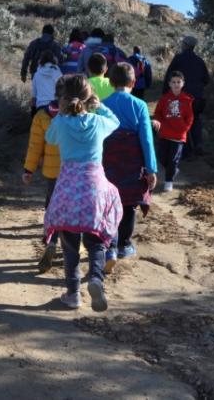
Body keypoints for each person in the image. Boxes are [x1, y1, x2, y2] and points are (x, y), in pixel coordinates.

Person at [44, 75, 122, 311]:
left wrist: (61, 113)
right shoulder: (98, 122)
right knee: (96, 241)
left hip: (68, 189)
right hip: (94, 189)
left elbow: (49, 138)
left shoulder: (61, 123)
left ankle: (73, 294)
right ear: (89, 97)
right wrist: (100, 106)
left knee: (70, 245)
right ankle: (96, 279)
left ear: (64, 98)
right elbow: (116, 122)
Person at [102, 63, 158, 271]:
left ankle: (109, 245)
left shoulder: (103, 104)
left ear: (110, 82)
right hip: (132, 163)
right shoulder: (140, 105)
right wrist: (151, 169)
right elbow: (147, 139)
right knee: (128, 204)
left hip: (108, 161)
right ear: (134, 82)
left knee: (108, 204)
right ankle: (124, 245)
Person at [23, 76, 67, 273]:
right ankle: (71, 246)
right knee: (72, 208)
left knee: (52, 206)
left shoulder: (42, 115)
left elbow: (35, 146)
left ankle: (52, 240)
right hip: (77, 172)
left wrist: (28, 169)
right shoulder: (80, 114)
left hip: (52, 172)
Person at [163, 35, 209, 156]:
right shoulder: (200, 61)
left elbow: (169, 77)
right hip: (198, 98)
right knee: (196, 120)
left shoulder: (178, 59)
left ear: (186, 45)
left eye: (183, 43)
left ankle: (187, 151)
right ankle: (198, 144)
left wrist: (165, 94)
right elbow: (206, 79)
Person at [153, 70, 194, 192]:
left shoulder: (187, 100)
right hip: (164, 134)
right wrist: (158, 122)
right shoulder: (164, 98)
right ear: (169, 84)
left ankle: (169, 181)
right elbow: (158, 113)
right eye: (174, 82)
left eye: (178, 82)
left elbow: (190, 118)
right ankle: (173, 170)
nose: (176, 84)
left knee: (173, 160)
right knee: (162, 157)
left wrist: (184, 129)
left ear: (183, 83)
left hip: (178, 136)